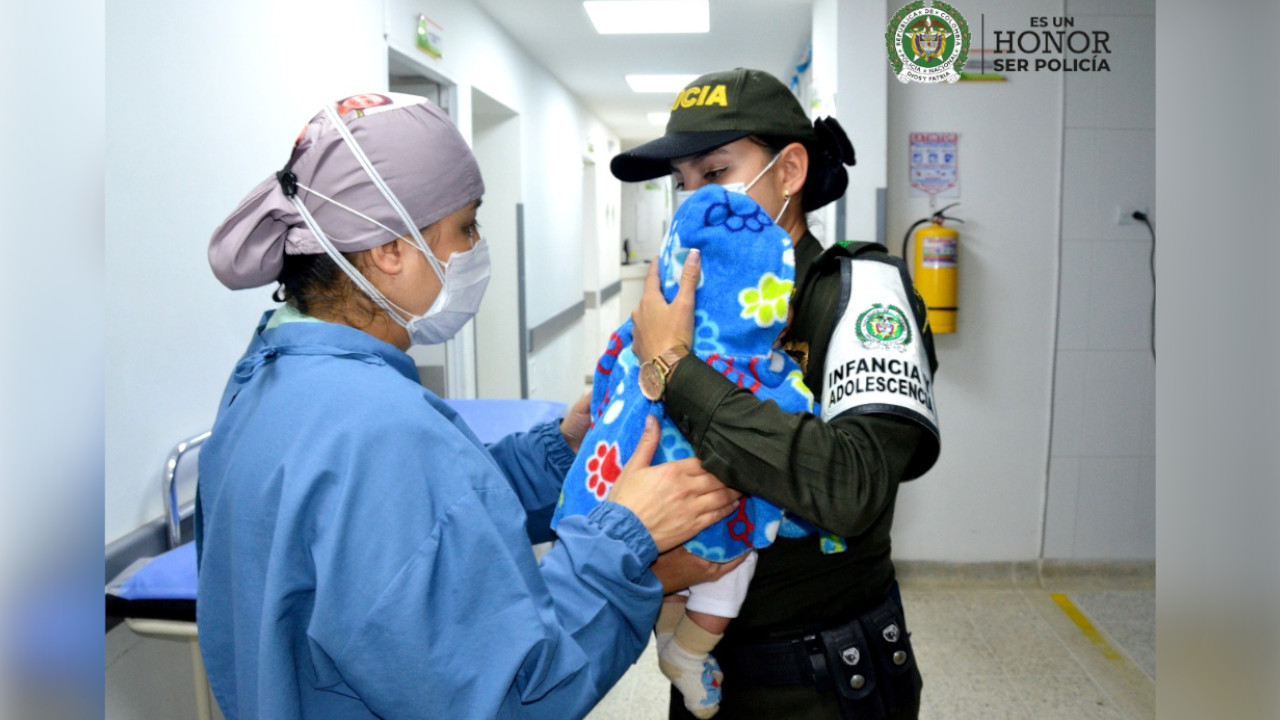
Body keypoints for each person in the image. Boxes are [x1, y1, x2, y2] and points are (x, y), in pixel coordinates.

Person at [197, 91, 742, 720]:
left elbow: (416, 533)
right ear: (389, 250)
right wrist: (625, 542)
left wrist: (563, 451)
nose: (476, 245)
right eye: (467, 226)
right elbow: (512, 691)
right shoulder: (382, 429)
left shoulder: (270, 377)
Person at [611, 68, 942, 720]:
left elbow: (851, 486)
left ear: (789, 171)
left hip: (821, 679)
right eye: (682, 181)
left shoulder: (860, 290)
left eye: (715, 173)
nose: (692, 199)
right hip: (705, 663)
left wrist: (675, 369)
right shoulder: (693, 306)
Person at [551, 183, 844, 718]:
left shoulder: (641, 332)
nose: (697, 181)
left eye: (712, 168)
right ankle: (687, 652)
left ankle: (668, 634)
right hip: (707, 508)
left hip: (626, 490)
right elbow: (804, 440)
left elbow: (603, 380)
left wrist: (587, 431)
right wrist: (823, 525)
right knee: (733, 564)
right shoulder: (762, 367)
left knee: (671, 577)